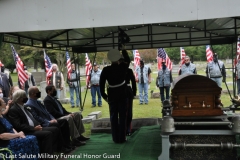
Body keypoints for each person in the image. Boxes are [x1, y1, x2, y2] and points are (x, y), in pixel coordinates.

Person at [7, 89, 62, 154]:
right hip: (27, 131)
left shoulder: (25, 106)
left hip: (35, 127)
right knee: (48, 134)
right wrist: (33, 128)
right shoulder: (14, 110)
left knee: (55, 129)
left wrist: (39, 125)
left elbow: (34, 117)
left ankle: (54, 149)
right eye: (24, 96)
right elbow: (18, 125)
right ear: (20, 98)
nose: (26, 97)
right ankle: (46, 155)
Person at [25, 86, 74, 153]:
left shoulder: (38, 102)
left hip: (49, 120)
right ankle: (61, 147)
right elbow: (36, 117)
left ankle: (67, 144)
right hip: (43, 123)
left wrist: (53, 118)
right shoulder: (29, 104)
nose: (39, 93)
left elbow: (47, 112)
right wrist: (48, 121)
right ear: (33, 94)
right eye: (38, 92)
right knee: (56, 125)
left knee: (63, 121)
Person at [100, 48, 129, 143]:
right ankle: (122, 137)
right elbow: (128, 59)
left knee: (113, 117)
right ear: (118, 58)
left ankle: (115, 138)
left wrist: (104, 95)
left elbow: (101, 83)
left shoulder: (106, 69)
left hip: (112, 95)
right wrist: (123, 50)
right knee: (122, 117)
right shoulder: (123, 67)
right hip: (122, 94)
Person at [121, 49, 137, 136]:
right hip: (125, 91)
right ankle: (126, 129)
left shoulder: (127, 70)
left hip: (124, 91)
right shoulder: (126, 70)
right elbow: (133, 82)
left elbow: (133, 82)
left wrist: (134, 92)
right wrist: (134, 92)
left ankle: (126, 129)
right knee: (127, 111)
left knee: (127, 112)